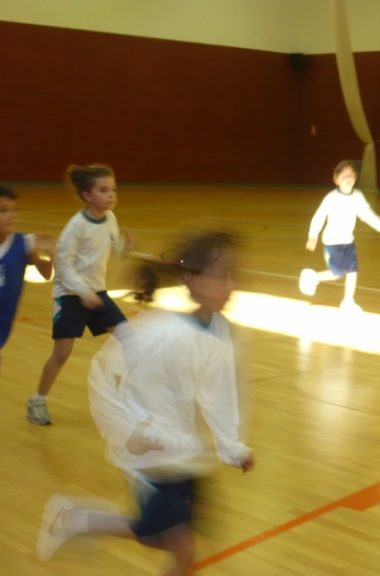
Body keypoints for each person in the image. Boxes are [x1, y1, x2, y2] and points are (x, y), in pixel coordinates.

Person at [36, 231, 254, 576]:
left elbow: (220, 393)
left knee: (159, 540)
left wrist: (232, 446)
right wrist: (130, 432)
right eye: (222, 275)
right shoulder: (159, 332)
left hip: (185, 456)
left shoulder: (220, 332)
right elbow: (104, 374)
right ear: (192, 280)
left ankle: (76, 518)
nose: (231, 285)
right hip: (150, 459)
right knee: (181, 552)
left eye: (233, 275)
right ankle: (74, 519)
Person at [27, 164, 135, 425]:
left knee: (131, 340)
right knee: (62, 353)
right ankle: (37, 401)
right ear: (87, 195)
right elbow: (63, 267)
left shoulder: (110, 218)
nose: (111, 195)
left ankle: (132, 398)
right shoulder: (76, 227)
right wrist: (82, 292)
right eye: (103, 190)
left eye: (113, 189)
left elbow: (112, 248)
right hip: (69, 295)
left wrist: (124, 247)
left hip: (96, 292)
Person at [299, 159, 380, 312]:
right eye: (344, 176)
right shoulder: (331, 198)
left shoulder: (357, 196)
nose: (348, 179)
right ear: (336, 179)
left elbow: (367, 214)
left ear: (355, 178)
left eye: (351, 176)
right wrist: (313, 235)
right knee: (337, 274)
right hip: (332, 242)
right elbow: (319, 216)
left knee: (352, 271)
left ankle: (348, 301)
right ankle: (313, 277)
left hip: (348, 241)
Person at [0, 185, 54, 372]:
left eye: (15, 209)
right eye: (3, 210)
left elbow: (46, 274)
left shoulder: (24, 243)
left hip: (4, 322)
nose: (12, 215)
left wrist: (51, 254)